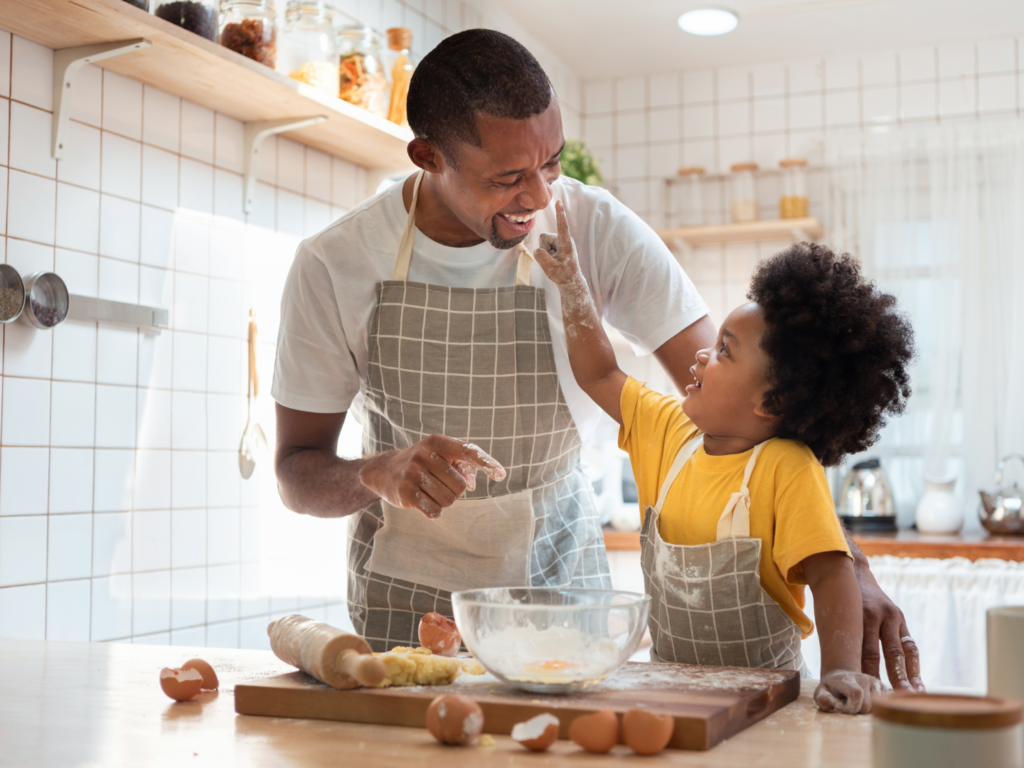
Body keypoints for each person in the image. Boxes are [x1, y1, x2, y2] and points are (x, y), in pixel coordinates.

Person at [270, 28, 925, 692]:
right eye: (509, 177)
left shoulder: (596, 230)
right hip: (404, 613)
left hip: (565, 607)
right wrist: (380, 472)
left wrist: (849, 566)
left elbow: (756, 408)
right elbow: (297, 476)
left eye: (550, 164)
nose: (540, 197)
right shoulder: (335, 263)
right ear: (428, 156)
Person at [531, 203, 915, 713]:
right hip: (674, 693)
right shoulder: (668, 430)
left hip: (767, 703)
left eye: (724, 351)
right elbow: (600, 375)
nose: (701, 356)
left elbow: (831, 573)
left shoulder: (786, 468)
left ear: (770, 402)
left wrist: (840, 671)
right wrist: (573, 287)